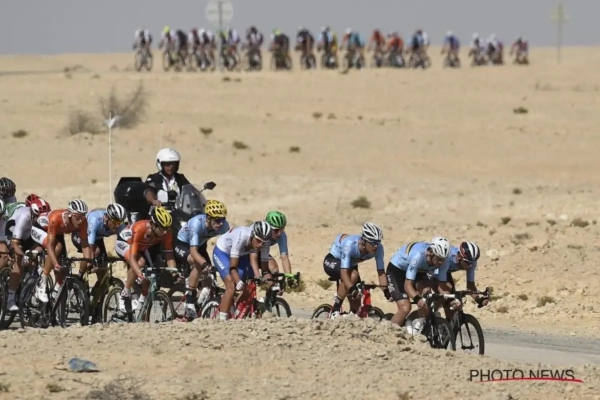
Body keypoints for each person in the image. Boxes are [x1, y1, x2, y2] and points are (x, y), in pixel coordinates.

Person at [175, 200, 229, 320]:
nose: (221, 223)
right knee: (199, 265)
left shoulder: (224, 226)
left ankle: (198, 304)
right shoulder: (197, 223)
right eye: (217, 220)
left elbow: (227, 246)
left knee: (210, 277)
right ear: (208, 218)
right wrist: (204, 264)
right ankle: (190, 299)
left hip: (200, 245)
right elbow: (193, 252)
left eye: (223, 219)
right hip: (183, 245)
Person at [115, 206, 177, 312]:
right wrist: (139, 274)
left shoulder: (166, 232)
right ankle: (124, 293)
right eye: (162, 228)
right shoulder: (140, 229)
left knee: (148, 281)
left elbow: (169, 255)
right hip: (125, 243)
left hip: (141, 248)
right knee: (140, 263)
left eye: (167, 228)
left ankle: (141, 305)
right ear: (153, 225)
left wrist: (174, 272)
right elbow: (132, 258)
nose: (165, 232)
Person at [322, 222, 388, 318]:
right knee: (353, 276)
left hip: (350, 265)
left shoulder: (379, 249)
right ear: (364, 241)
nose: (375, 246)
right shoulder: (350, 244)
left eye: (377, 242)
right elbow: (344, 272)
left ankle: (351, 316)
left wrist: (386, 291)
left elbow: (381, 272)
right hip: (333, 261)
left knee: (357, 304)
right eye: (372, 243)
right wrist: (351, 288)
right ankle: (335, 308)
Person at [385, 237, 451, 328]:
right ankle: (389, 333)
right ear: (431, 253)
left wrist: (451, 299)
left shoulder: (444, 261)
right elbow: (407, 285)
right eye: (438, 258)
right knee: (405, 308)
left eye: (443, 259)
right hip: (398, 269)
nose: (440, 262)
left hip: (419, 270)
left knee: (427, 292)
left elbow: (442, 286)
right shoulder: (418, 256)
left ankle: (418, 323)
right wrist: (417, 300)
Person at [35, 200, 92, 303]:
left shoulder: (83, 222)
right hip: (41, 228)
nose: (80, 221)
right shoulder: (56, 218)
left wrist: (88, 260)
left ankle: (56, 291)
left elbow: (85, 244)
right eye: (78, 217)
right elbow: (50, 246)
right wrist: (55, 264)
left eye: (83, 216)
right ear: (70, 214)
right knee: (57, 247)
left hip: (57, 232)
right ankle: (42, 281)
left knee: (64, 266)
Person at [213, 221, 272, 321]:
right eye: (258, 241)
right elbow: (233, 267)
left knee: (251, 284)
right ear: (253, 235)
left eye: (263, 242)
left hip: (241, 254)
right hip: (223, 252)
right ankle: (222, 321)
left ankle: (237, 313)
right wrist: (238, 281)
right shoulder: (242, 236)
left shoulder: (265, 242)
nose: (260, 245)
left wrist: (270, 283)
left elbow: (265, 270)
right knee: (231, 286)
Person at [5, 197, 51, 311]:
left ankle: (29, 284)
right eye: (38, 217)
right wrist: (23, 255)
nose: (41, 219)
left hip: (29, 234)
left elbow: (44, 242)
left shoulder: (44, 219)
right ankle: (10, 299)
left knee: (35, 257)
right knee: (19, 261)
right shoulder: (24, 218)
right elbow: (15, 244)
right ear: (33, 214)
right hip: (12, 232)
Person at [71, 203, 126, 285]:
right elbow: (90, 245)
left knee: (103, 264)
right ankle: (79, 277)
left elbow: (124, 242)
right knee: (94, 252)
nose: (117, 226)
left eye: (119, 223)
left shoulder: (120, 225)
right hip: (80, 234)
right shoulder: (95, 219)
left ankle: (99, 288)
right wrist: (91, 262)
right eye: (115, 222)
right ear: (107, 218)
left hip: (97, 237)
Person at [433, 241, 488, 322]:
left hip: (445, 272)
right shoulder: (449, 258)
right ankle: (430, 313)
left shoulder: (471, 261)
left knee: (452, 308)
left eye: (472, 263)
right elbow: (441, 284)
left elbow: (470, 286)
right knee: (447, 292)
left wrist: (478, 299)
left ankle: (448, 325)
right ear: (459, 256)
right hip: (434, 270)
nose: (470, 265)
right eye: (467, 262)